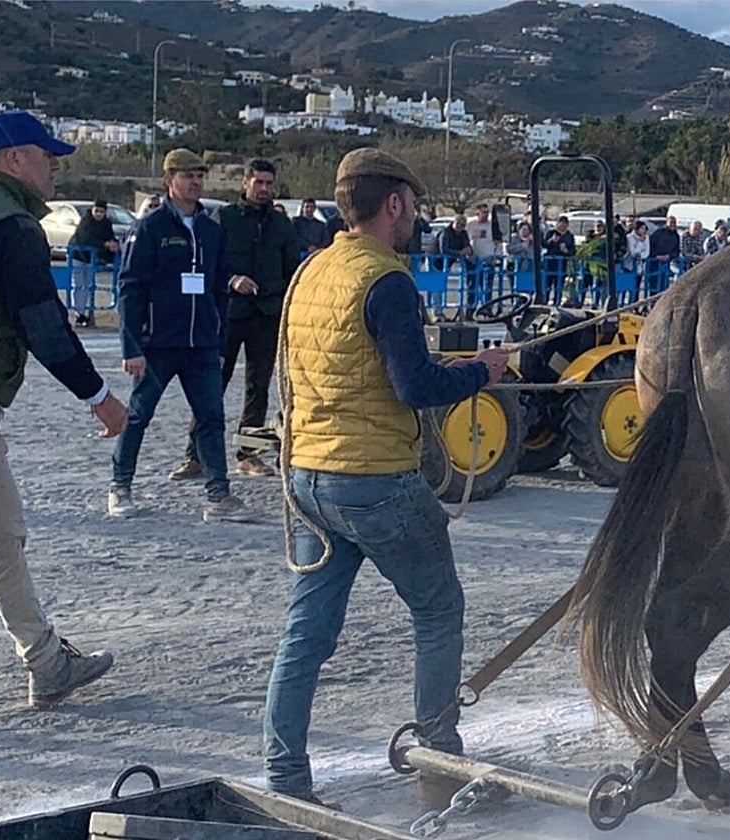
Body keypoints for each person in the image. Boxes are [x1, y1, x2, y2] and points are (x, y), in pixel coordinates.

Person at [263, 147, 510, 806]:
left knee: (306, 636)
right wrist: (480, 373)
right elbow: (416, 386)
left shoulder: (312, 269)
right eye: (415, 206)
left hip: (309, 477)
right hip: (375, 480)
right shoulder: (388, 279)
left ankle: (285, 779)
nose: (417, 218)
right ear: (394, 203)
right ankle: (441, 772)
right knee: (438, 613)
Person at [0, 110, 127, 709]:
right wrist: (99, 397)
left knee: (3, 537)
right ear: (16, 159)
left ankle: (45, 661)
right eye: (47, 154)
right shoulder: (12, 226)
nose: (56, 165)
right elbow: (45, 326)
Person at [110, 148, 256, 523]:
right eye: (187, 175)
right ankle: (120, 486)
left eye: (199, 175)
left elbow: (219, 289)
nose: (195, 181)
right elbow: (130, 288)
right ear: (168, 180)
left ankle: (218, 495)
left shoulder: (210, 230)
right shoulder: (150, 228)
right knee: (140, 415)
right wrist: (132, 345)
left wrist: (219, 341)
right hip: (159, 343)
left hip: (201, 345)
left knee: (211, 418)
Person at [169, 158, 302, 480]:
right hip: (227, 314)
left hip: (267, 315)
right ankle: (195, 455)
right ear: (245, 183)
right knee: (212, 385)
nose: (264, 189)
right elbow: (206, 260)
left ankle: (249, 453)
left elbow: (291, 270)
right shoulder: (223, 218)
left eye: (269, 183)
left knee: (259, 387)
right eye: (258, 182)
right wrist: (231, 280)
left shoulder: (282, 224)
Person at [66, 199, 120, 327]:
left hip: (91, 258)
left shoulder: (106, 223)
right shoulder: (86, 221)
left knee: (89, 285)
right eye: (97, 211)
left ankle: (88, 313)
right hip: (78, 256)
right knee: (79, 285)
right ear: (92, 209)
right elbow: (86, 238)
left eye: (102, 211)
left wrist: (113, 243)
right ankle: (80, 314)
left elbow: (109, 236)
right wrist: (104, 244)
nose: (99, 214)